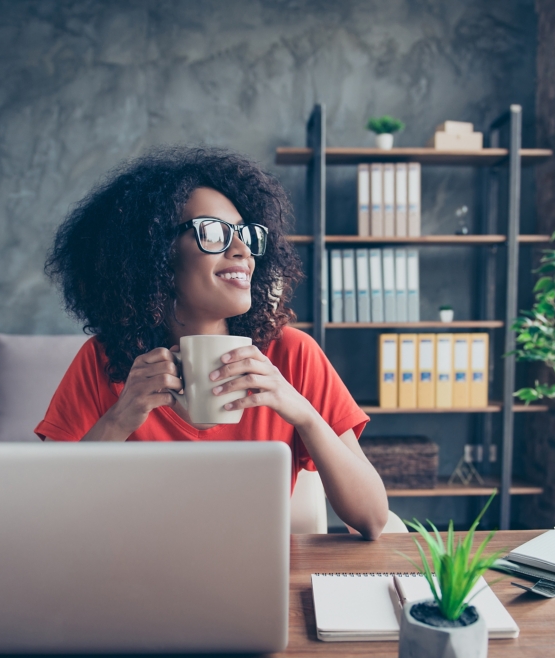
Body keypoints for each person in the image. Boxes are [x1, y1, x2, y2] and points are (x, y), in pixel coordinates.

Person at [35, 147, 389, 539]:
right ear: (155, 252)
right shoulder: (104, 360)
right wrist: (119, 418)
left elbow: (373, 519)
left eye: (245, 234)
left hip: (256, 580)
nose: (241, 251)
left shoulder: (292, 353)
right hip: (131, 579)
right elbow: (46, 511)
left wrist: (303, 414)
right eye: (215, 233)